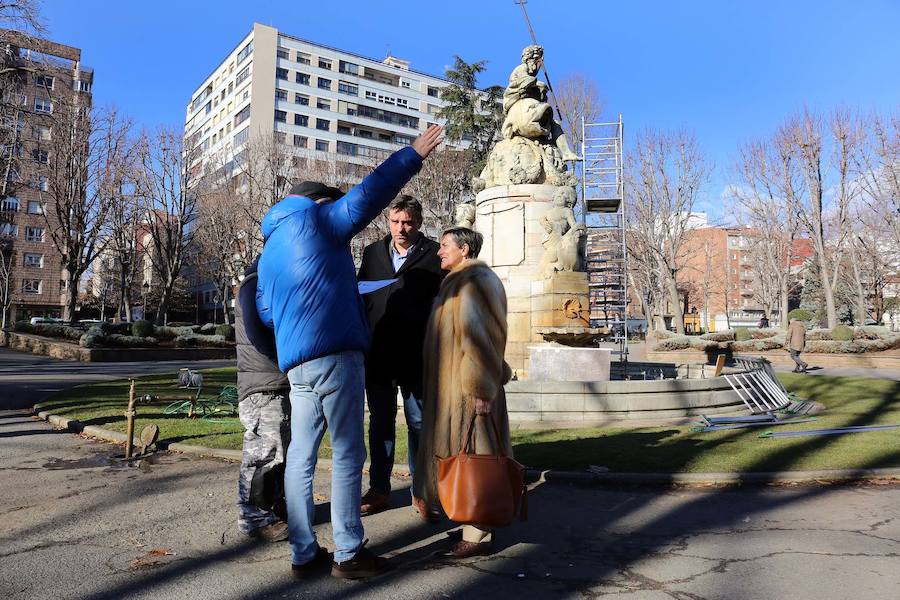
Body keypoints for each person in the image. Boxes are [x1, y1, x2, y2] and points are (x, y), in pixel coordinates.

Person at [256, 124, 443, 580]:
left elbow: (262, 311)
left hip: (297, 363)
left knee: (301, 455)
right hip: (336, 355)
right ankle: (349, 552)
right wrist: (412, 154)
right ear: (320, 201)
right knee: (346, 453)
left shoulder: (269, 248)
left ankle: (303, 553)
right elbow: (369, 195)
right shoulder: (319, 220)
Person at [414, 227, 514, 559]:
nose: (439, 251)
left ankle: (480, 532)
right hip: (458, 387)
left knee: (476, 455)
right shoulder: (463, 282)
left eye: (444, 246)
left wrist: (481, 388)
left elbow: (479, 341)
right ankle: (473, 519)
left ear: (465, 249)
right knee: (468, 453)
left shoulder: (471, 284)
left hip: (469, 389)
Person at [356, 195, 443, 521]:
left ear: (418, 223)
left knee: (419, 424)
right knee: (380, 424)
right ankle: (379, 490)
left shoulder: (434, 254)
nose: (401, 228)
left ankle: (422, 492)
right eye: (395, 222)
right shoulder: (372, 253)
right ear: (387, 221)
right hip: (378, 354)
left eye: (407, 222)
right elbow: (362, 297)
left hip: (417, 356)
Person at [235, 258, 291, 542]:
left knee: (276, 453)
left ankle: (271, 509)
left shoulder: (261, 281)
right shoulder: (256, 283)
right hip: (264, 386)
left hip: (270, 383)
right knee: (264, 455)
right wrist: (288, 360)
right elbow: (259, 335)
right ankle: (256, 518)